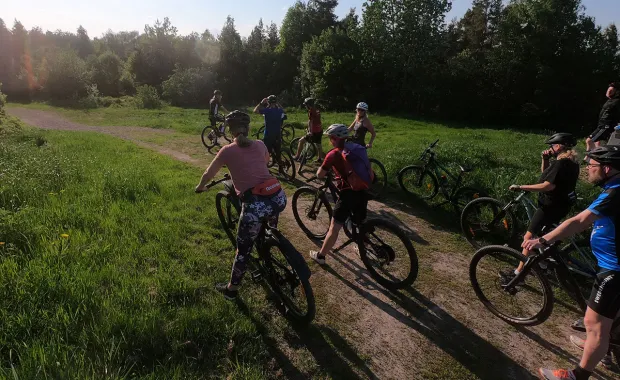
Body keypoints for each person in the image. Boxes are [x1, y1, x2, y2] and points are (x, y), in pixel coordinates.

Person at [522, 145, 620, 380]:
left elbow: (580, 221)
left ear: (606, 168)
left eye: (593, 166)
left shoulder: (615, 192)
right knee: (610, 321)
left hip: (614, 270)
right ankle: (601, 348)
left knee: (594, 323)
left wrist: (542, 239)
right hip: (612, 265)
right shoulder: (614, 187)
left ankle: (577, 376)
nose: (588, 169)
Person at [195, 110, 287, 300]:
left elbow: (208, 174)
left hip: (255, 205)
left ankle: (232, 290)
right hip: (278, 197)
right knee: (269, 225)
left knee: (243, 250)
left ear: (230, 130)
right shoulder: (260, 144)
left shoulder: (227, 151)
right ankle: (270, 242)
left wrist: (200, 187)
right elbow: (265, 162)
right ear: (248, 128)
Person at [500, 133, 580, 283]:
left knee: (528, 238)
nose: (550, 148)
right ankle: (543, 262)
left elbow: (548, 185)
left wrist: (521, 186)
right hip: (562, 205)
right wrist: (545, 159)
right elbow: (546, 175)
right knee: (542, 236)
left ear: (558, 146)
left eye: (551, 146)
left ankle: (518, 274)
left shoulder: (560, 164)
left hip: (550, 206)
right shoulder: (572, 163)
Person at [309, 124, 370, 264]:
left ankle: (321, 256)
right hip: (363, 188)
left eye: (330, 138)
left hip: (348, 194)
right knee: (361, 222)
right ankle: (363, 248)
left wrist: (322, 172)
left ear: (334, 139)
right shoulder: (355, 148)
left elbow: (320, 174)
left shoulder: (333, 154)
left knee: (334, 227)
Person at [586, 82, 620, 151]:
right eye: (608, 90)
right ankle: (591, 159)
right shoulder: (611, 100)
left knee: (589, 141)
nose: (608, 92)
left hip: (606, 126)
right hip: (602, 126)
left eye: (610, 90)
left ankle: (591, 159)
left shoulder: (617, 102)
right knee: (597, 144)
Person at [254, 95, 285, 167]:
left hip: (268, 134)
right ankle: (280, 165)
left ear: (269, 102)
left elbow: (255, 111)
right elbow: (283, 109)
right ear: (276, 102)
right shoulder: (279, 110)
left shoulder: (267, 111)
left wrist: (261, 103)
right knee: (278, 151)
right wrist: (278, 103)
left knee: (267, 152)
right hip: (278, 134)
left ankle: (265, 167)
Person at [294, 97, 324, 163]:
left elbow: (311, 122)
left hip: (314, 131)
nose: (305, 106)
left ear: (308, 105)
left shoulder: (311, 111)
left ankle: (297, 156)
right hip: (320, 130)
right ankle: (319, 159)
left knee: (301, 141)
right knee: (319, 144)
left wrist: (310, 131)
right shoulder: (317, 109)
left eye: (305, 105)